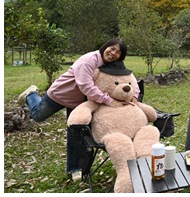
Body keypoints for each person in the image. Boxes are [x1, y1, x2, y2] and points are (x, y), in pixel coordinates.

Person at [16, 38, 139, 181]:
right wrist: (109, 101)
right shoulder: (89, 60)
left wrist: (134, 96)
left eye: (118, 52)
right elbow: (85, 86)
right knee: (38, 115)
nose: (113, 53)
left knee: (76, 135)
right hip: (60, 94)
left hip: (79, 103)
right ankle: (31, 94)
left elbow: (130, 78)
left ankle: (75, 168)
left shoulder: (114, 64)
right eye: (112, 48)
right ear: (105, 46)